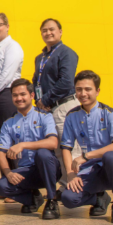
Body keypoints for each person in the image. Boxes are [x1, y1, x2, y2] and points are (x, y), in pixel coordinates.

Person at [60, 70, 113, 224]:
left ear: (97, 91)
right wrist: (70, 174)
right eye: (79, 89)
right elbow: (66, 147)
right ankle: (99, 198)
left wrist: (86, 156)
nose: (83, 93)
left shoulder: (109, 113)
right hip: (89, 170)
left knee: (110, 156)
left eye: (88, 89)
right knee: (68, 198)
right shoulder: (71, 116)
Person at [0, 78, 60, 220]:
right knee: (2, 186)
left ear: (32, 95)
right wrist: (8, 173)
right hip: (26, 171)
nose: (19, 98)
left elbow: (53, 143)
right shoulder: (9, 123)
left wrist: (23, 145)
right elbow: (0, 152)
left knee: (43, 153)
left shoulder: (45, 116)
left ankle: (52, 200)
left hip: (48, 168)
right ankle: (33, 198)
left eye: (22, 94)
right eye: (15, 95)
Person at [32, 18, 79, 182]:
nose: (48, 33)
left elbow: (66, 82)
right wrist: (38, 101)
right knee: (58, 150)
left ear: (60, 31)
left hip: (64, 106)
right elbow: (36, 82)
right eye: (44, 30)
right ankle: (65, 184)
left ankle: (76, 185)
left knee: (70, 148)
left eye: (51, 29)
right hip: (48, 108)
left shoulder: (66, 53)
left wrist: (45, 100)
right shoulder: (40, 57)